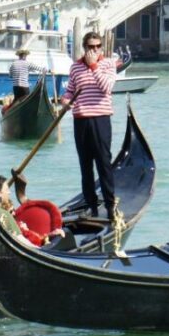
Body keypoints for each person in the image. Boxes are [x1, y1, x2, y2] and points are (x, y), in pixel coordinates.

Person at [61, 31, 118, 218]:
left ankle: (110, 206)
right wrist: (65, 101)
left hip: (101, 119)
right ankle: (92, 206)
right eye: (91, 47)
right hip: (81, 121)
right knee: (85, 166)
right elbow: (70, 91)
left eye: (98, 46)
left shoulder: (108, 64)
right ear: (84, 48)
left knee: (103, 163)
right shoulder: (75, 67)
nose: (95, 50)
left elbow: (107, 88)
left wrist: (94, 66)